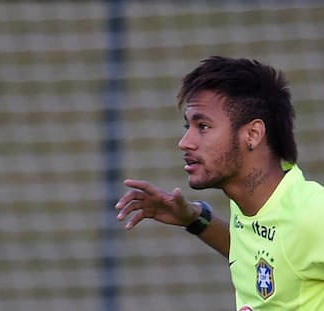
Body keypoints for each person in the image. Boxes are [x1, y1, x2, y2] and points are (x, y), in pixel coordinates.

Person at [115, 56, 324, 311]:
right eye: (188, 126)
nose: (185, 142)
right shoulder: (256, 204)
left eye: (202, 126)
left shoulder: (312, 214)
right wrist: (194, 218)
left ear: (252, 134)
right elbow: (269, 253)